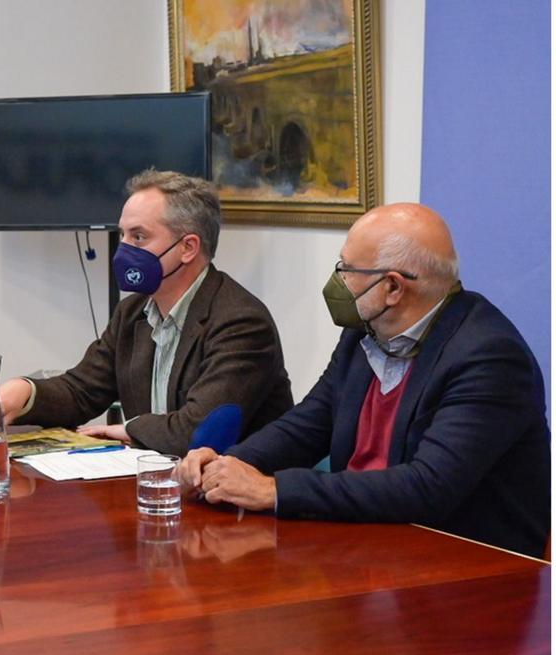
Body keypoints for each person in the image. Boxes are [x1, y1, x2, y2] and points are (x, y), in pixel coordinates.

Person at [175, 203, 550, 558]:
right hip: (366, 545)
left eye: (346, 269)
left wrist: (273, 490)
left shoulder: (489, 356)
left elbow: (428, 486)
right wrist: (226, 465)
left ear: (393, 288)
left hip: (467, 570)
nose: (337, 280)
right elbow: (309, 424)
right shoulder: (365, 331)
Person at [0, 170, 293, 453]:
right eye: (123, 235)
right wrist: (23, 393)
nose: (122, 250)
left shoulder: (241, 322)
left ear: (188, 247)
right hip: (156, 485)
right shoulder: (132, 312)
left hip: (232, 495)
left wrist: (130, 429)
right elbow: (82, 390)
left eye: (138, 237)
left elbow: (200, 431)